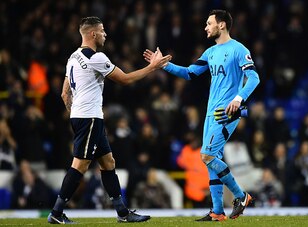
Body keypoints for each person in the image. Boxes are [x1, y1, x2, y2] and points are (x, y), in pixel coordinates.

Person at [47, 16, 171, 224]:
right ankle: (56, 212)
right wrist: (153, 67)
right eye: (103, 31)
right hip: (90, 118)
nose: (106, 34)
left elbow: (64, 93)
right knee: (80, 165)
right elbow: (125, 79)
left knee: (108, 162)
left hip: (83, 116)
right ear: (93, 34)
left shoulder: (73, 57)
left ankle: (122, 212)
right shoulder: (96, 57)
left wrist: (74, 112)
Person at [144, 10, 260, 221]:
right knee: (210, 159)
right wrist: (164, 65)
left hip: (226, 112)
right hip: (210, 112)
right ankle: (217, 211)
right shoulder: (210, 52)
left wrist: (238, 99)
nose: (205, 27)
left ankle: (241, 196)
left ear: (222, 25)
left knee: (206, 156)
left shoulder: (239, 50)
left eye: (209, 23)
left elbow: (253, 78)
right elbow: (189, 73)